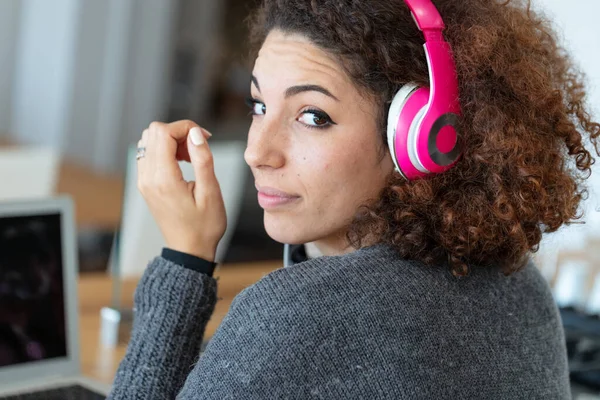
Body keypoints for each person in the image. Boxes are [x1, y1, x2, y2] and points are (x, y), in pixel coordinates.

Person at [108, 0, 600, 398]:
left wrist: (185, 259)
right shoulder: (523, 287)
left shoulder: (293, 319)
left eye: (313, 116)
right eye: (260, 105)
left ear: (423, 139)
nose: (258, 151)